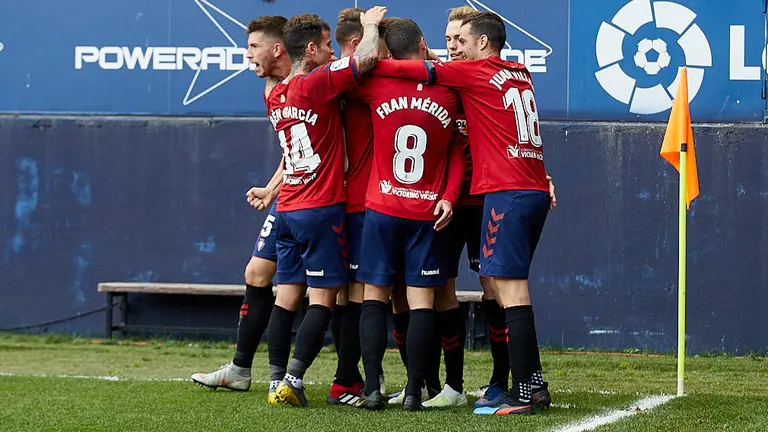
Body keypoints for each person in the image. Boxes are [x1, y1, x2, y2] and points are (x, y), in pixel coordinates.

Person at [371, 11, 554, 415]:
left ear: (483, 43)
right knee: (509, 289)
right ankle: (531, 383)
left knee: (510, 292)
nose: (455, 48)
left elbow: (409, 67)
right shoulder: (519, 71)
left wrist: (364, 60)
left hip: (505, 193)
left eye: (463, 41)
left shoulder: (472, 74)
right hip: (532, 189)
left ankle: (527, 392)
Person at [267, 7, 388, 408]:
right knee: (325, 299)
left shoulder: (276, 93)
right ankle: (293, 379)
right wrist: (370, 26)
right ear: (314, 47)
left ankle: (274, 380)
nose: (332, 53)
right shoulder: (316, 84)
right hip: (321, 207)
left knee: (289, 296)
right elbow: (365, 59)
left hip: (287, 209)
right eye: (326, 46)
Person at [351, 18, 464, 411]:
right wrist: (448, 195)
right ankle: (416, 392)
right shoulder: (451, 87)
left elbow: (360, 62)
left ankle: (372, 390)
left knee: (374, 299)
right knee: (421, 304)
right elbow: (454, 150)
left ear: (387, 52)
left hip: (382, 208)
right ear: (422, 43)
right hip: (426, 212)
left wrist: (369, 30)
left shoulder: (375, 83)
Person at [190, 16, 295, 398]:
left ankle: (353, 378)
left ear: (277, 48)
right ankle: (239, 369)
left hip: (322, 201)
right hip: (288, 196)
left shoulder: (311, 82)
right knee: (257, 273)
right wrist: (270, 189)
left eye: (253, 48)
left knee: (325, 291)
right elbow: (294, 150)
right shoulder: (271, 89)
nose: (247, 55)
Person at [324, 8, 396, 405]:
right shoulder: (347, 79)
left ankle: (361, 377)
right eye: (381, 47)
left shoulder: (340, 78)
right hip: (360, 203)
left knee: (357, 294)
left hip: (371, 203)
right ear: (359, 46)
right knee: (357, 295)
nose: (386, 55)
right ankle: (347, 381)